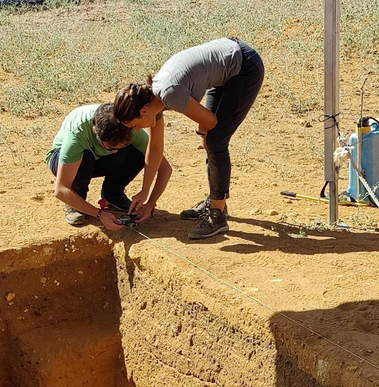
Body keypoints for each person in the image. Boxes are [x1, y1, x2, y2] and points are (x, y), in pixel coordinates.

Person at [112, 37, 265, 241]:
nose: (138, 129)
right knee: (211, 139)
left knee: (215, 140)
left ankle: (217, 215)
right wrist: (145, 193)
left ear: (143, 111)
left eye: (135, 125)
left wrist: (204, 133)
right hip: (227, 65)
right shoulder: (154, 101)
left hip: (244, 67)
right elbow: (155, 149)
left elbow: (210, 122)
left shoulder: (170, 94)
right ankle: (215, 200)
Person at [47, 102, 172, 232]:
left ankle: (112, 194)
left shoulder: (131, 128)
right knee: (87, 157)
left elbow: (165, 168)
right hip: (64, 160)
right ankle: (76, 202)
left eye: (121, 146)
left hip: (99, 160)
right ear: (96, 133)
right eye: (111, 147)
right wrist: (99, 213)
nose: (115, 152)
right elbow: (61, 189)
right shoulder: (78, 135)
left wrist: (149, 201)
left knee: (143, 153)